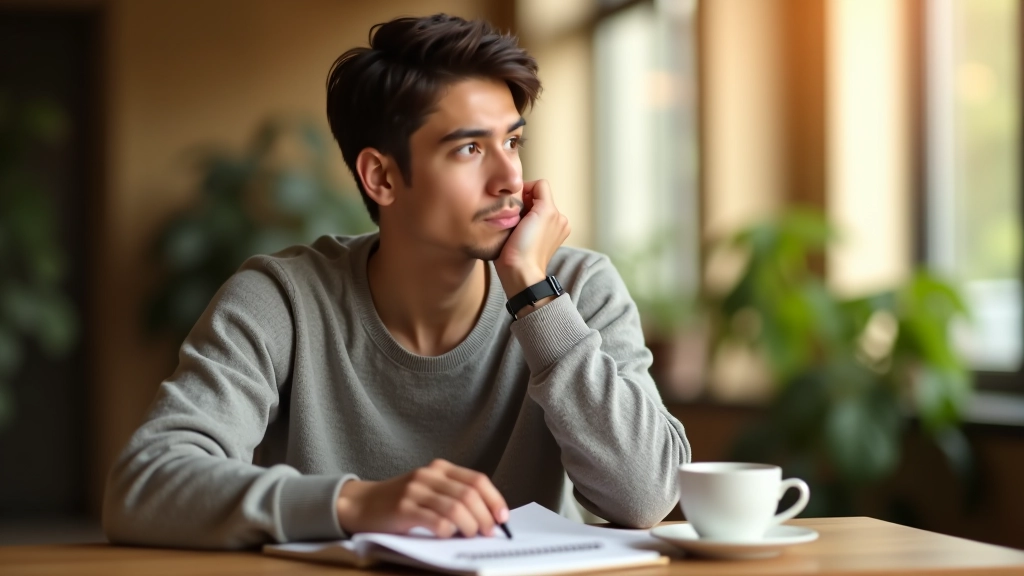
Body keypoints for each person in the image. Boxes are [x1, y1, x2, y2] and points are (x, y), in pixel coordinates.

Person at [102, 13, 691, 550]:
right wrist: (357, 503)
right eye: (469, 149)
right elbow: (145, 483)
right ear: (380, 177)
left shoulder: (576, 288)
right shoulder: (281, 299)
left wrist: (535, 296)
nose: (510, 176)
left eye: (513, 141)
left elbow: (647, 498)